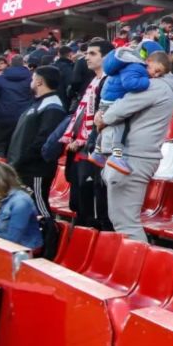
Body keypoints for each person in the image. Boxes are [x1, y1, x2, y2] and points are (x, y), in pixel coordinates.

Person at [97, 52, 173, 242]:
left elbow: (116, 111)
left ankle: (139, 269)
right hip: (139, 156)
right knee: (125, 222)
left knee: (126, 223)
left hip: (133, 157)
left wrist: (103, 118)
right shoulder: (166, 86)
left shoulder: (155, 86)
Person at [88, 41, 165, 173]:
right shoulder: (136, 66)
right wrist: (146, 81)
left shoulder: (127, 63)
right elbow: (131, 84)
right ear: (149, 59)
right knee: (119, 127)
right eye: (156, 70)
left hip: (106, 101)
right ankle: (117, 156)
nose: (156, 75)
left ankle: (97, 151)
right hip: (113, 102)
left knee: (105, 128)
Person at [58, 39, 112, 230]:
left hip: (94, 147)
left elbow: (101, 116)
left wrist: (85, 140)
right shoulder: (93, 81)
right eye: (86, 53)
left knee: (92, 196)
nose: (86, 57)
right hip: (81, 146)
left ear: (106, 57)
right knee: (80, 196)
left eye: (92, 54)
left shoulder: (108, 81)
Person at [7, 66, 65, 221]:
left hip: (35, 169)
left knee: (39, 206)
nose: (31, 82)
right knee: (28, 207)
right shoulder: (39, 103)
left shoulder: (53, 105)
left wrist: (23, 159)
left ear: (39, 81)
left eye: (33, 78)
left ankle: (50, 238)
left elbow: (44, 139)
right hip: (23, 166)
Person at [0, 161, 43, 250]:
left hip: (21, 250)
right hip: (3, 245)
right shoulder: (2, 197)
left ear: (0, 182)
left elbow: (13, 238)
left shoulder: (21, 202)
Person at [0, 55, 33, 159]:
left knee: (0, 144)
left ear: (10, 64)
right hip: (24, 116)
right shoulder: (31, 78)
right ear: (23, 64)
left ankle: (0, 170)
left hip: (3, 116)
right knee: (19, 143)